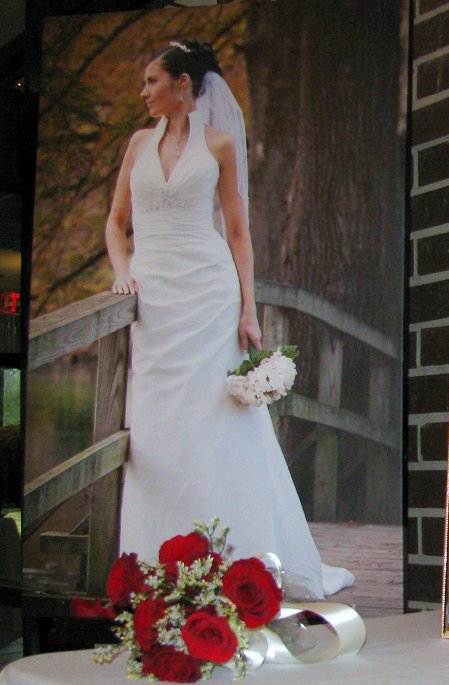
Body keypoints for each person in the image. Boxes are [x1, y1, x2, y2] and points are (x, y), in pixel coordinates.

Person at [105, 39, 351, 599]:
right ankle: (157, 558)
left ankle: (230, 551)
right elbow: (116, 222)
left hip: (208, 293)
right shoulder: (139, 143)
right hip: (154, 298)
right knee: (158, 425)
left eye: (152, 81)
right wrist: (121, 272)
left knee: (214, 420)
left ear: (183, 85)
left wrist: (248, 306)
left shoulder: (217, 144)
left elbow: (238, 232)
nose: (144, 92)